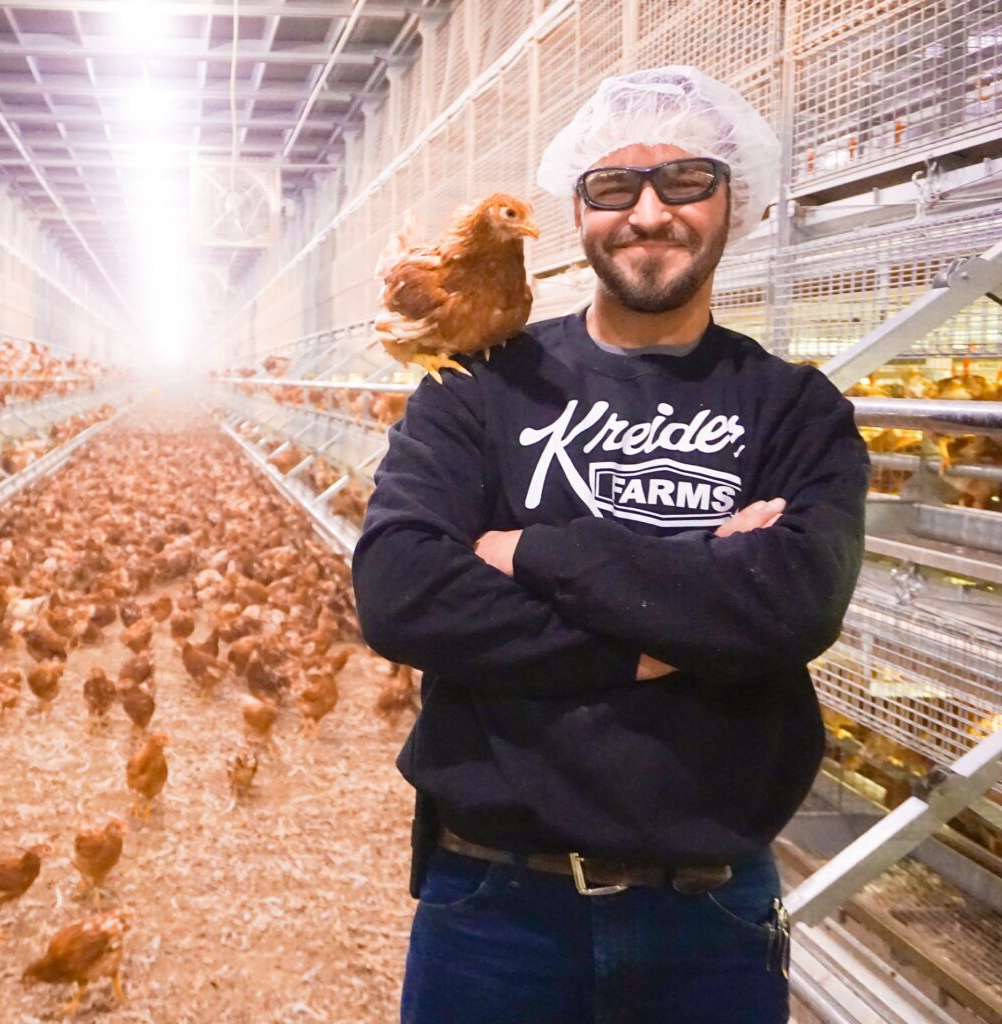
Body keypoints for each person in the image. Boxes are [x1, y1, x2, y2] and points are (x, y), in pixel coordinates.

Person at [352, 66, 870, 1024]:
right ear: (579, 211)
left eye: (685, 181)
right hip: (493, 904)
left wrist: (536, 555)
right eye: (611, 186)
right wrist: (685, 616)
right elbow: (402, 591)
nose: (648, 212)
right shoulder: (478, 387)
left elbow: (794, 603)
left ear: (736, 201)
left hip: (709, 912)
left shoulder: (795, 410)